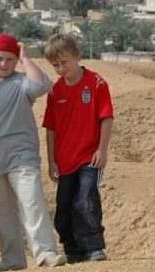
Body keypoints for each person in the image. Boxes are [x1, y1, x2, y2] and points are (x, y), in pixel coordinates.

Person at [0, 33, 67, 271]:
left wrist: (25, 57)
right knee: (0, 213)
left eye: (9, 59)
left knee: (32, 203)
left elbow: (42, 85)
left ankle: (46, 252)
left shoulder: (22, 82)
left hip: (22, 157)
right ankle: (13, 258)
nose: (4, 64)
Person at [43, 33, 114, 263]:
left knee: (86, 200)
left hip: (89, 158)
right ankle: (72, 250)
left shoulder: (96, 84)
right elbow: (50, 128)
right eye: (56, 65)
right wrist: (52, 160)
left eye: (65, 62)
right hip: (65, 161)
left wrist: (101, 150)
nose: (61, 68)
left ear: (77, 56)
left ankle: (94, 247)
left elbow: (106, 118)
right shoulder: (55, 92)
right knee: (63, 208)